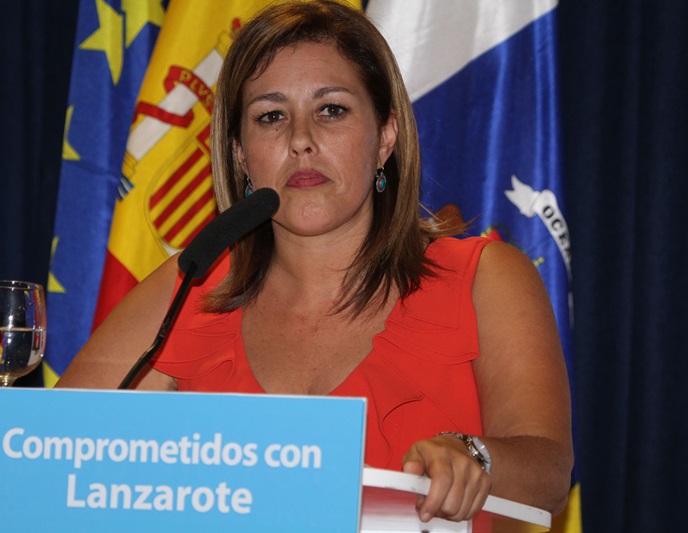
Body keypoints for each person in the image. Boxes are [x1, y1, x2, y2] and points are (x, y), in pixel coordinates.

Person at [57, 0, 573, 523]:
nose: (301, 140)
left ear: (385, 137)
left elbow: (550, 474)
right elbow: (55, 456)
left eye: (331, 110)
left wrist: (474, 457)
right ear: (240, 154)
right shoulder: (194, 284)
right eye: (271, 116)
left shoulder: (484, 278)